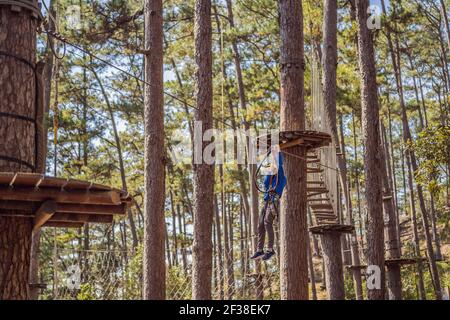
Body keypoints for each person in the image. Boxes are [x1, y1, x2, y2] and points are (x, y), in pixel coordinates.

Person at [251, 151, 286, 261]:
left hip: (274, 199)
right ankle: (259, 249)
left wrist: (277, 153)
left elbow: (279, 164)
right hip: (267, 199)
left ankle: (270, 250)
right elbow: (265, 183)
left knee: (267, 222)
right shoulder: (270, 176)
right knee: (261, 225)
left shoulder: (280, 175)